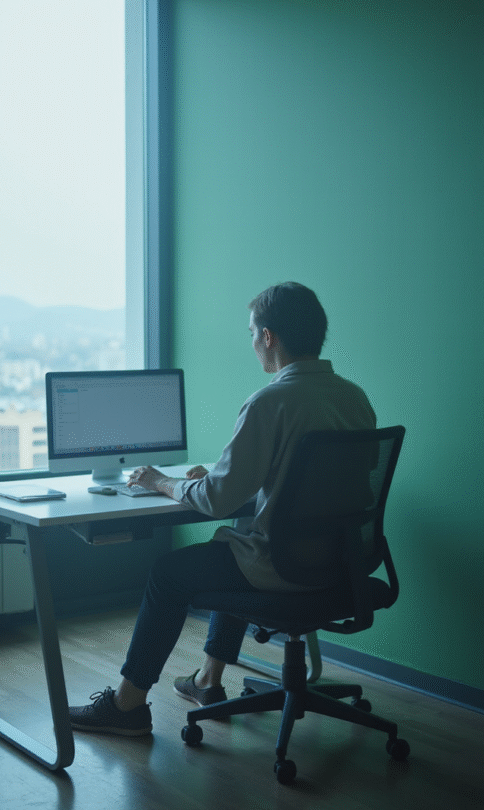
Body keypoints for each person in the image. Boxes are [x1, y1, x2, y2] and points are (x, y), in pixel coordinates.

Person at [68, 282, 376, 736]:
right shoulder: (355, 398)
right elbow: (317, 491)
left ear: (269, 337)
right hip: (341, 564)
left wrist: (161, 482)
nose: (252, 343)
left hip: (280, 567)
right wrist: (214, 483)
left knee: (169, 572)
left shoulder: (270, 401)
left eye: (253, 333)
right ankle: (208, 679)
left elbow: (216, 500)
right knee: (234, 536)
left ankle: (126, 706)